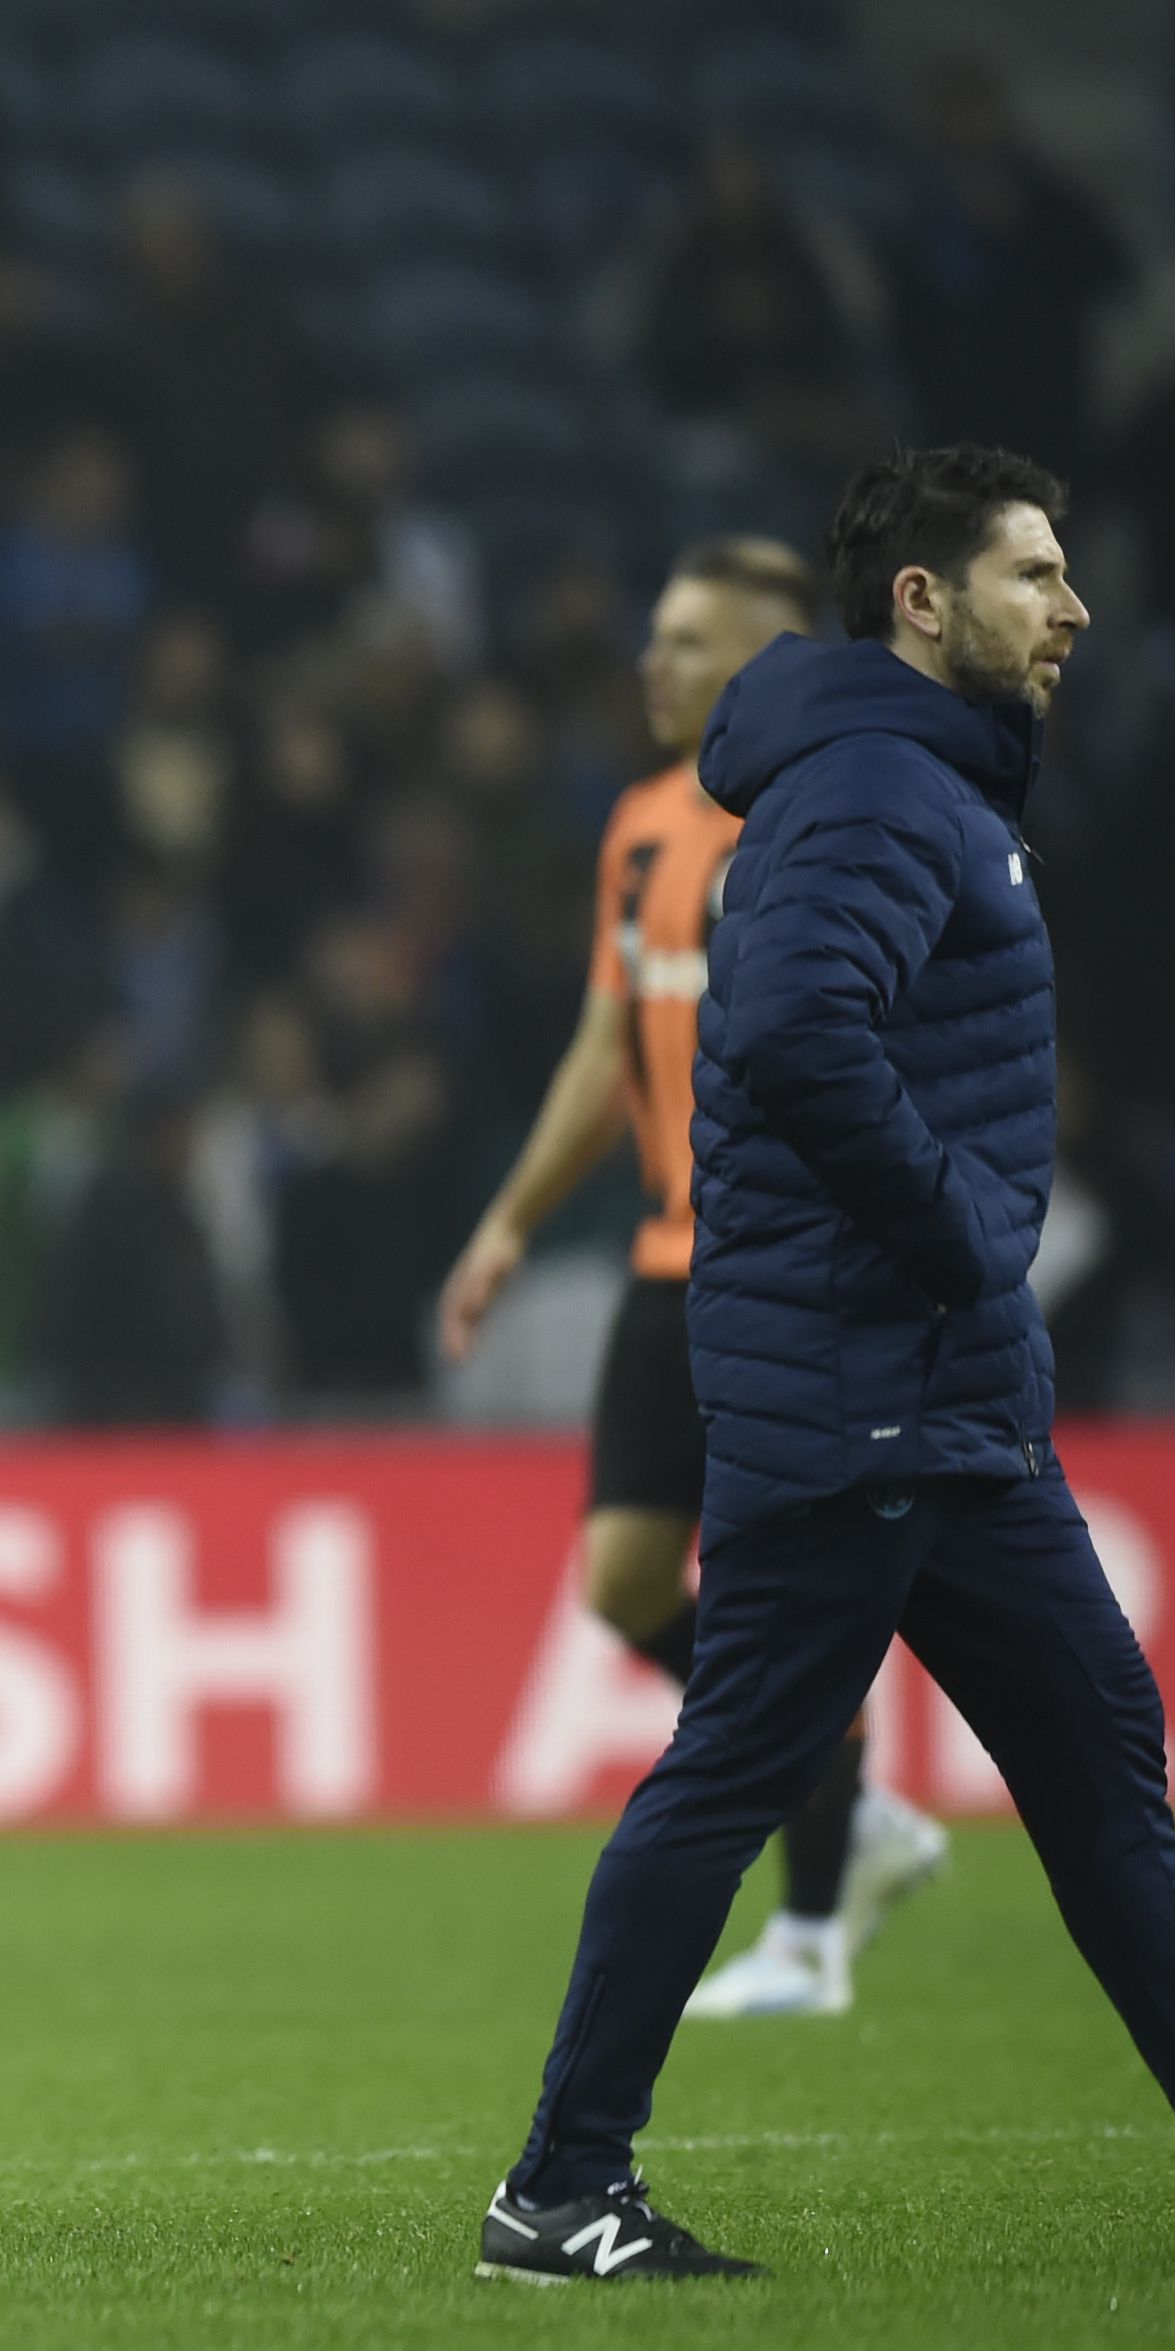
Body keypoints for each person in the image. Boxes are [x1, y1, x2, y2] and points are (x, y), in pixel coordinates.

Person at [481, 447, 1175, 2282]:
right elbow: (786, 1030)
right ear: (920, 603)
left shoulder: (913, 780)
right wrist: (953, 1240)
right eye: (1032, 575)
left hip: (936, 1388)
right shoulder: (865, 785)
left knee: (1093, 1750)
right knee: (731, 1770)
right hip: (863, 1379)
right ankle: (556, 2186)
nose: (1070, 609)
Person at [437, 538, 952, 2019]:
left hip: (797, 1267)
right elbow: (611, 1045)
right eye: (652, 637)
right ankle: (848, 1816)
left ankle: (807, 1931)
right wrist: (511, 1222)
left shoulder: (824, 821)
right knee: (626, 1579)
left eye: (687, 642)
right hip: (673, 1264)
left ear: (769, 659)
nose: (652, 666)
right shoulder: (645, 825)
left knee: (784, 1591)